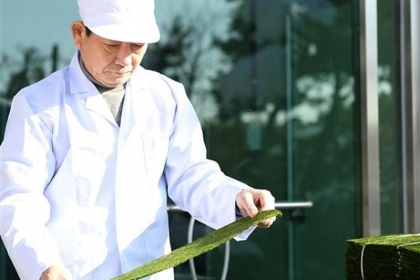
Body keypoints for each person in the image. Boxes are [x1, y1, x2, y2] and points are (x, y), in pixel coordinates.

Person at [0, 0, 276, 279]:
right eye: (111, 45)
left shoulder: (167, 96)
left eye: (137, 46)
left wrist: (237, 199)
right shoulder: (37, 104)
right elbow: (19, 198)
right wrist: (43, 265)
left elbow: (191, 175)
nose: (124, 58)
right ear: (78, 33)